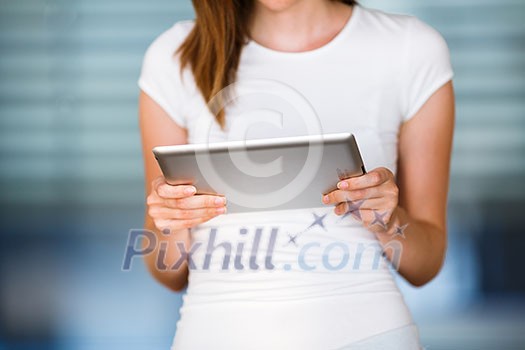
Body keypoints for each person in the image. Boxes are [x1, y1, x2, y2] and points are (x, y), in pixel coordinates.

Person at [138, 0, 455, 349]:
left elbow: (426, 264)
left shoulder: (409, 49)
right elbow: (165, 270)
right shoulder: (175, 55)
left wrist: (387, 220)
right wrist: (173, 221)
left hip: (369, 335)